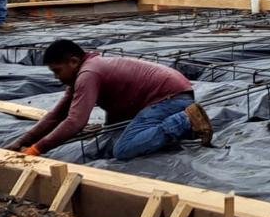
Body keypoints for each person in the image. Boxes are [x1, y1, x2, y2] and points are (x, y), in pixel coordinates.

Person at [17, 39, 212, 160]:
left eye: (57, 71)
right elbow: (56, 116)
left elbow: (75, 122)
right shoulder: (86, 71)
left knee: (123, 149)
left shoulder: (88, 73)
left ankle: (184, 120)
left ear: (74, 62)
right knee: (116, 135)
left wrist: (36, 149)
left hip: (171, 98)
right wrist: (20, 143)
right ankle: (182, 125)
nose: (56, 78)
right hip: (171, 94)